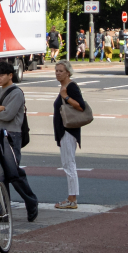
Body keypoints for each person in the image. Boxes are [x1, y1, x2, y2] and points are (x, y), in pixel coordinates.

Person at [0, 60, 39, 221]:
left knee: (13, 173)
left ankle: (31, 201)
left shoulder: (16, 93)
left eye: (1, 75)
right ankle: (2, 212)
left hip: (12, 135)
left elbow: (8, 115)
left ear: (10, 75)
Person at [51, 61, 84, 210]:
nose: (58, 73)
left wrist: (65, 97)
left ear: (68, 73)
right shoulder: (64, 87)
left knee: (69, 164)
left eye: (61, 71)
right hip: (64, 131)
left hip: (68, 131)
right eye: (56, 71)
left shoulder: (71, 87)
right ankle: (71, 198)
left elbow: (81, 105)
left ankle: (72, 199)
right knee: (67, 163)